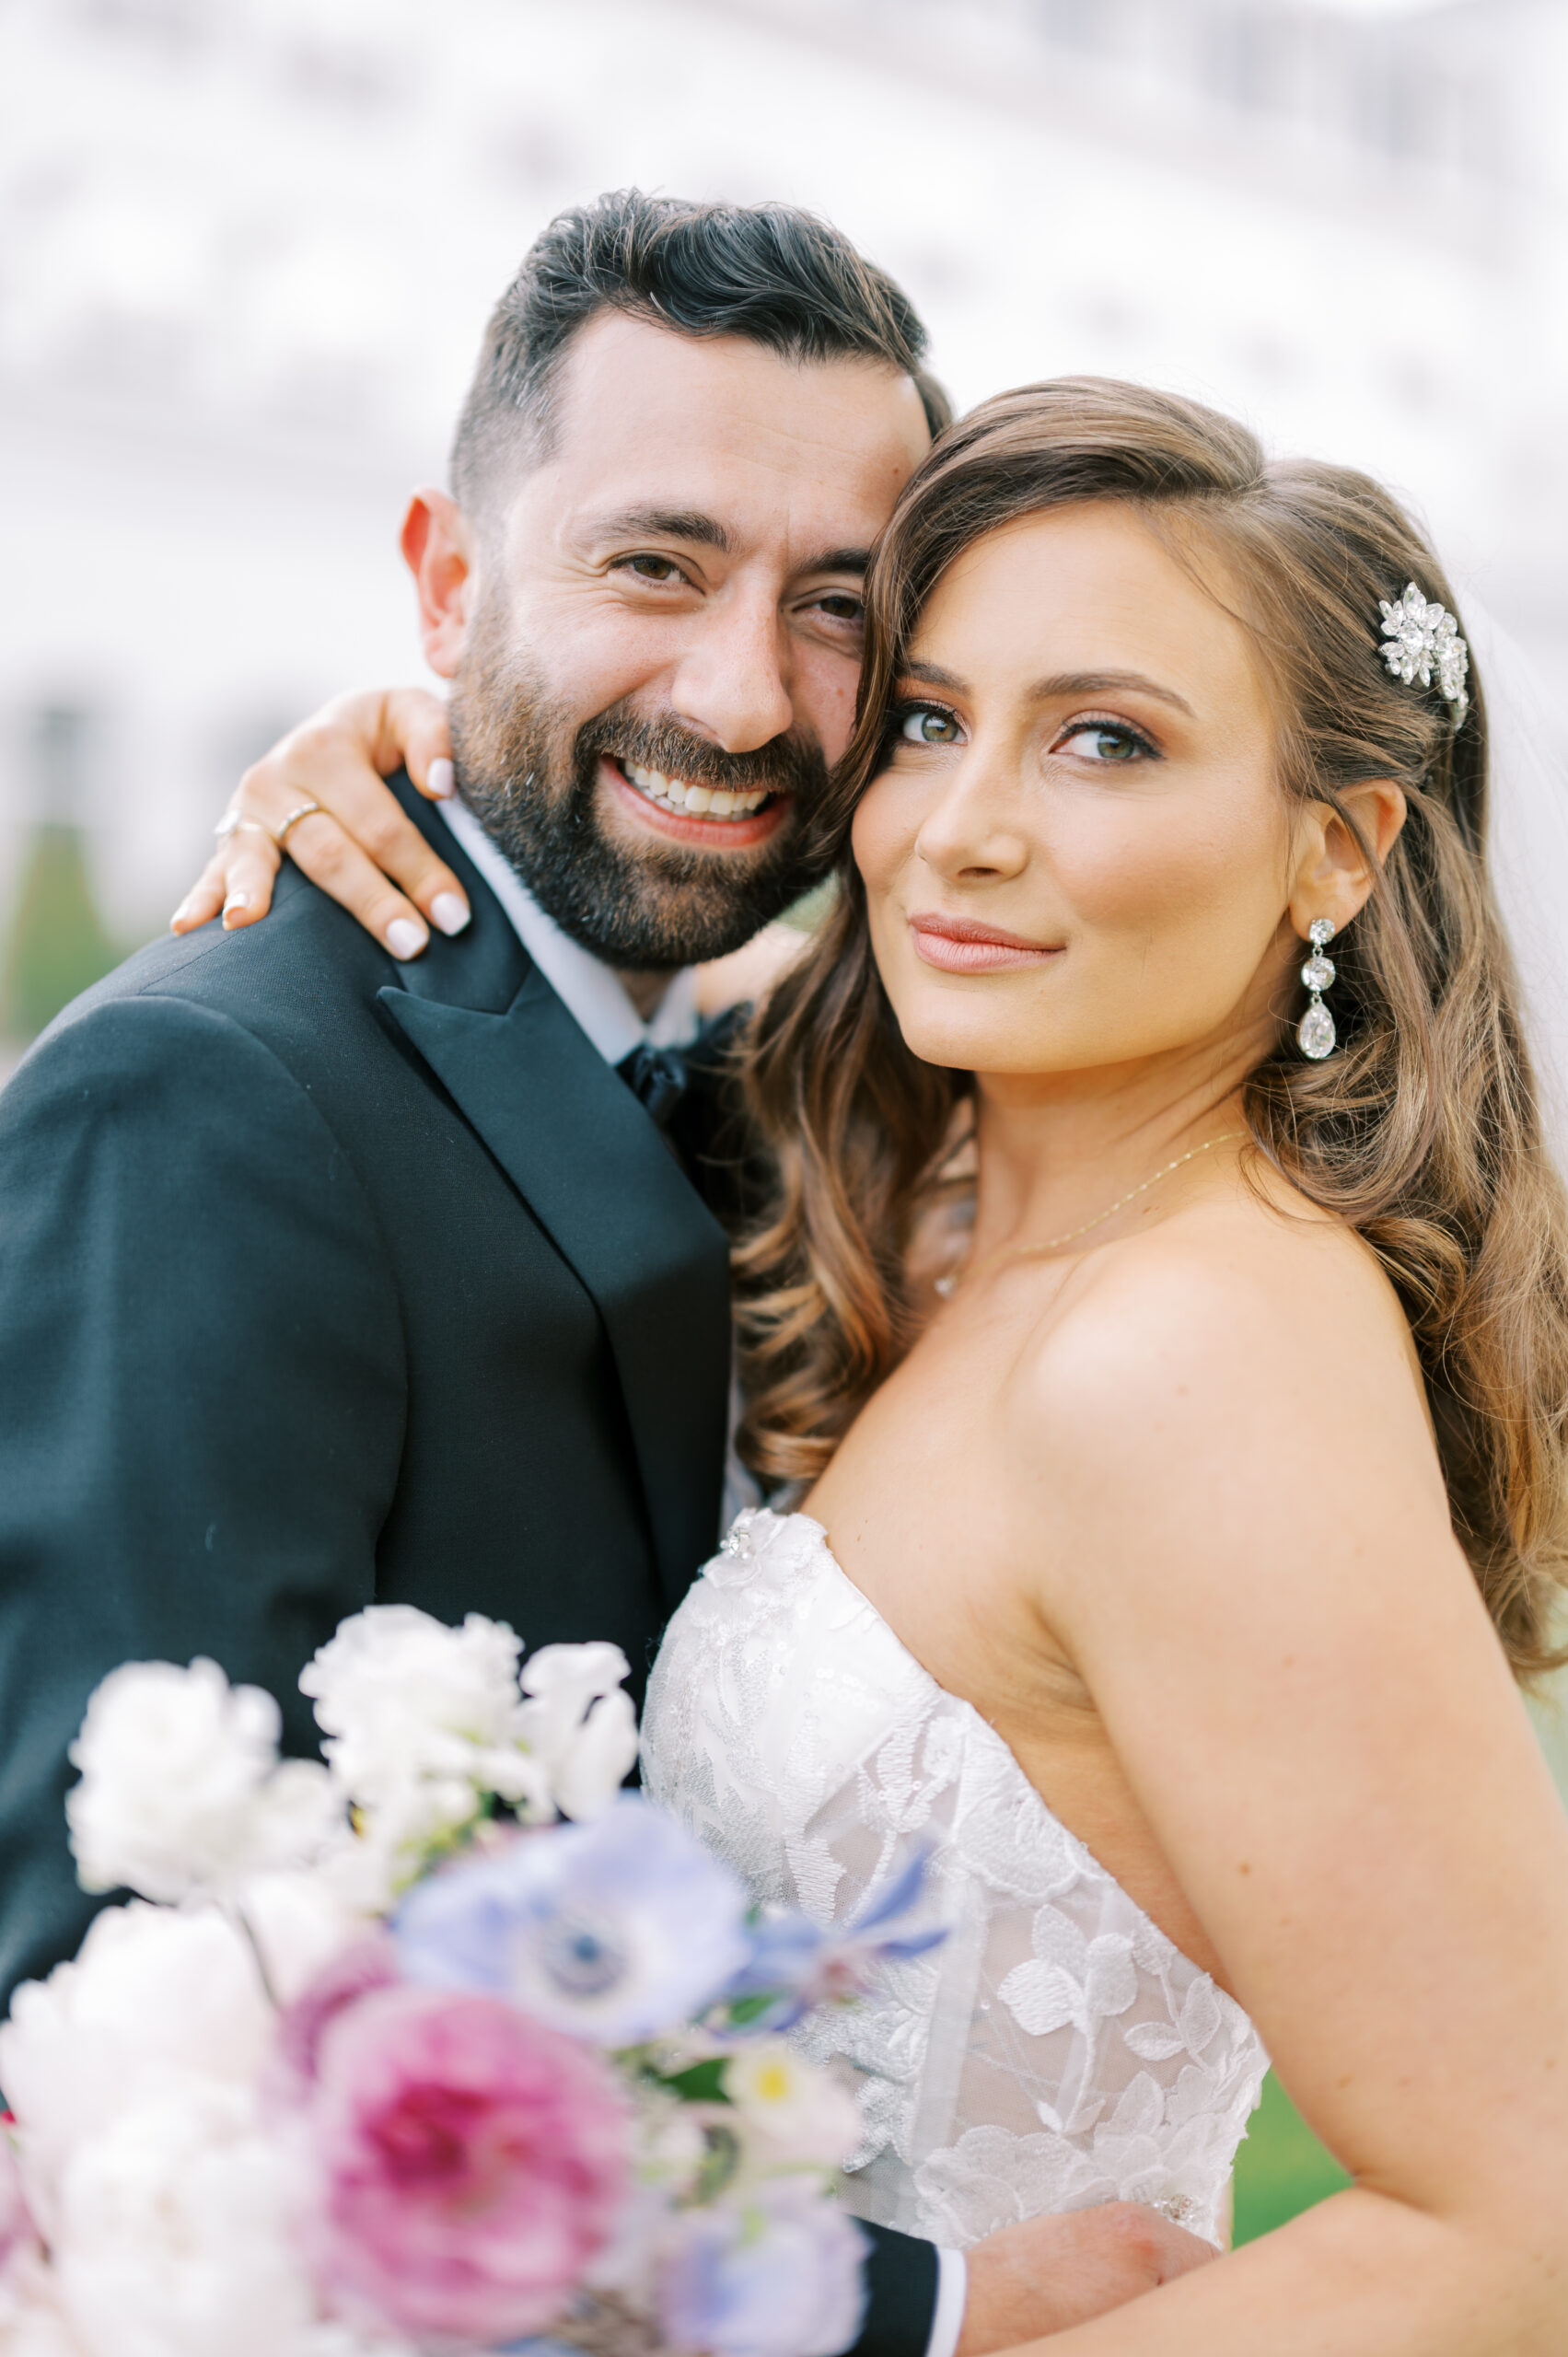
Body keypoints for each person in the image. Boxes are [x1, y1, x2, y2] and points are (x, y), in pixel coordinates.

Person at [212, 377, 1568, 2348]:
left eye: (1106, 739)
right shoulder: (941, 1213)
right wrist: (404, 754)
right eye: (928, 720)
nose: (960, 827)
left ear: (1339, 849)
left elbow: (1519, 2223)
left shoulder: (1195, 1354)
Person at [0, 196, 1213, 2352]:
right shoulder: (205, 1105)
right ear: (451, 579)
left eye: (835, 610)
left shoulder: (811, 1078)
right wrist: (918, 2310)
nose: (742, 692)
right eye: (654, 565)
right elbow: (131, 2008)